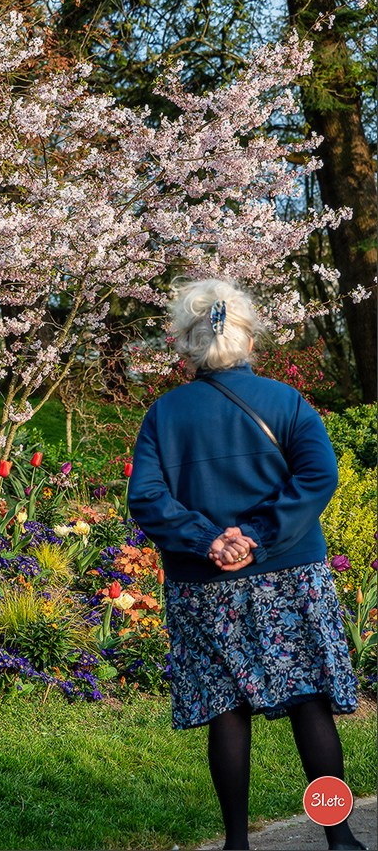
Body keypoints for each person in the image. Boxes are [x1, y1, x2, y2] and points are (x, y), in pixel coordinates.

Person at [128, 278, 364, 851]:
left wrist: (211, 541)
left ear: (185, 343)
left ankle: (236, 842)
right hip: (291, 573)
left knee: (225, 710)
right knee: (310, 702)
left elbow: (148, 497)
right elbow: (318, 477)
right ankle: (339, 838)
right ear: (248, 334)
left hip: (203, 582)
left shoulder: (165, 414)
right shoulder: (286, 402)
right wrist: (256, 537)